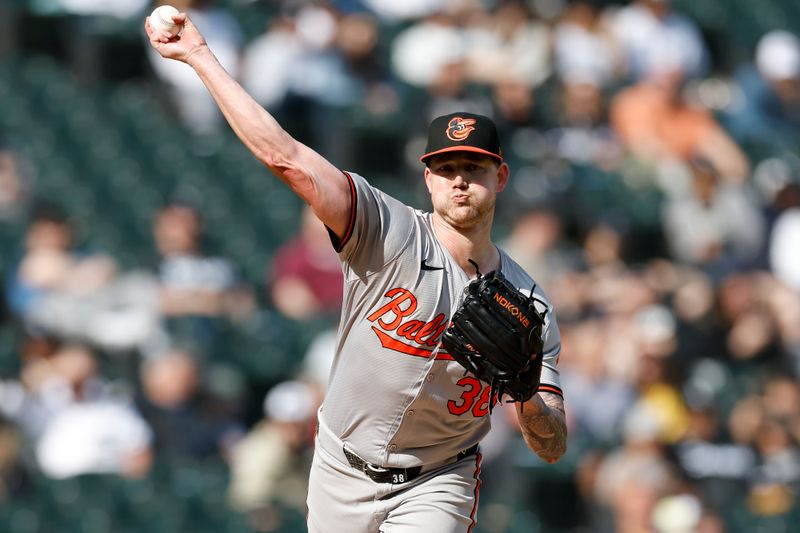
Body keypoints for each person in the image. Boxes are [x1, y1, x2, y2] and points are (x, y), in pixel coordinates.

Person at [146, 13, 566, 533]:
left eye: (474, 169)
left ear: (500, 177)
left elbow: (552, 445)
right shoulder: (387, 229)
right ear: (427, 178)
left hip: (438, 480)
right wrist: (200, 58)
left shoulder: (529, 304)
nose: (460, 182)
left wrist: (525, 391)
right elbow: (287, 158)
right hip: (339, 466)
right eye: (447, 169)